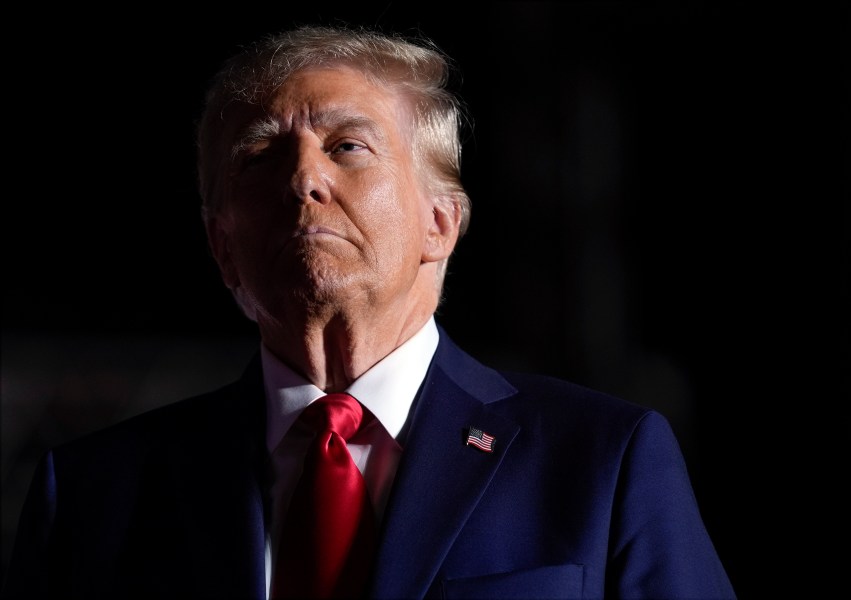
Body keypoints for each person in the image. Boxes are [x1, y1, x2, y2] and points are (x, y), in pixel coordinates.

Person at [1, 23, 736, 600]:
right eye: (260, 156)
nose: (302, 179)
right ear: (222, 248)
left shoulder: (603, 459)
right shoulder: (94, 493)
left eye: (347, 145)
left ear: (439, 222)